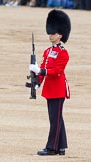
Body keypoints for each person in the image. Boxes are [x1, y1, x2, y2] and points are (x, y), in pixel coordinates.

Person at [29, 9, 71, 156]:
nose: (50, 34)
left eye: (53, 33)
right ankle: (61, 147)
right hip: (50, 89)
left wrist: (41, 71)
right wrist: (36, 82)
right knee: (57, 118)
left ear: (60, 35)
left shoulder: (62, 52)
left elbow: (57, 71)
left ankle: (51, 147)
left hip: (58, 89)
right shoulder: (47, 51)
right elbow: (44, 68)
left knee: (55, 119)